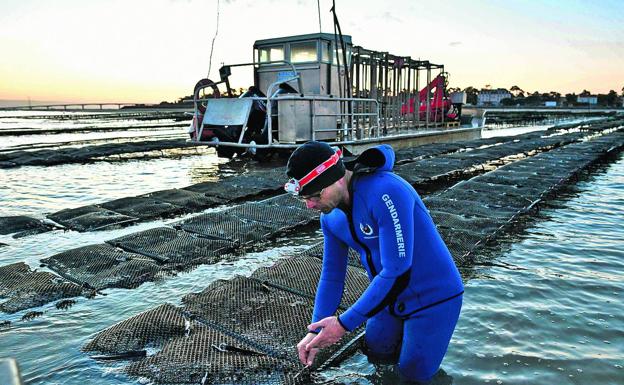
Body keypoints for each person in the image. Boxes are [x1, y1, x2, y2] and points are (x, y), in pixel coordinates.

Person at [284, 141, 464, 383]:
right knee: (377, 352)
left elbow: (398, 270)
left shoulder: (385, 192)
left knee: (413, 374)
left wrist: (343, 324)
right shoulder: (330, 219)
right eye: (303, 198)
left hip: (433, 298)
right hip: (388, 300)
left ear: (336, 178)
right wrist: (315, 331)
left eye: (315, 195)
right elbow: (332, 277)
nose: (310, 205)